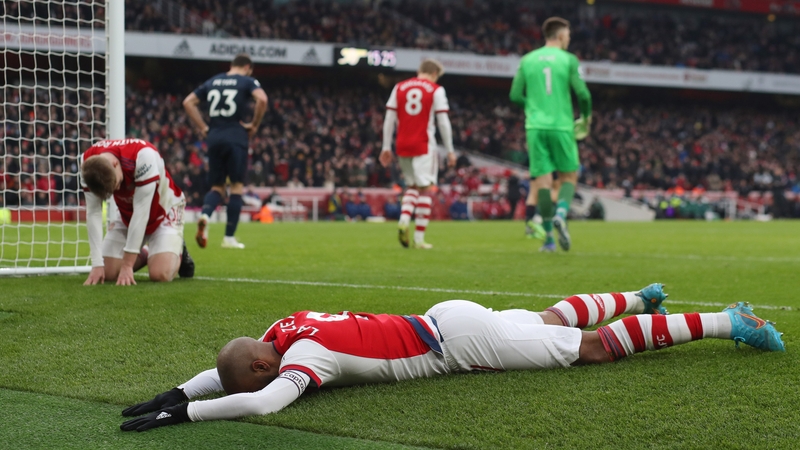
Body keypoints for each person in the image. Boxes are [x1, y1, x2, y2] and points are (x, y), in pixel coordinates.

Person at [120, 284, 784, 431]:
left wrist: (187, 416)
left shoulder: (308, 362)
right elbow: (237, 367)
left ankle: (729, 321)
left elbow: (260, 397)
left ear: (269, 362)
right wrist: (177, 390)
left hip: (458, 345)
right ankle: (640, 298)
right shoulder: (285, 329)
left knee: (584, 351)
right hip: (445, 316)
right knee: (550, 319)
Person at [510, 17, 592, 252]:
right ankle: (562, 214)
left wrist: (532, 108)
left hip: (535, 127)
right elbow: (583, 95)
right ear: (559, 35)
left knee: (543, 184)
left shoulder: (527, 60)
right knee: (569, 177)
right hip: (561, 126)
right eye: (567, 35)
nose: (569, 38)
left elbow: (515, 96)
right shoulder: (568, 59)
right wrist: (586, 117)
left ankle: (548, 240)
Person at [80, 138, 194, 286]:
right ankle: (148, 252)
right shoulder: (86, 164)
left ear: (115, 164)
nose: (117, 190)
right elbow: (93, 212)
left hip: (164, 211)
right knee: (107, 273)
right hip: (127, 214)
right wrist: (96, 264)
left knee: (160, 274)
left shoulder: (143, 156)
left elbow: (141, 212)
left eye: (118, 183)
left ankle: (178, 248)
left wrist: (127, 265)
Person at [183, 53, 268, 249]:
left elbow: (188, 102)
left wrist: (203, 128)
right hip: (236, 136)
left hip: (214, 138)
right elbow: (262, 100)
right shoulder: (247, 81)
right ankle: (229, 238)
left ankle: (205, 215)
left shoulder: (214, 80)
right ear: (248, 67)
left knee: (217, 187)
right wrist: (254, 125)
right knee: (236, 187)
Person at [380, 59, 456, 250]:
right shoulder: (435, 89)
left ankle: (406, 222)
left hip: (403, 144)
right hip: (423, 144)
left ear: (418, 71)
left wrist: (385, 146)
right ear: (433, 74)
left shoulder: (399, 87)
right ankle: (418, 236)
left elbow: (389, 118)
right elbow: (443, 122)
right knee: (426, 187)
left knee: (412, 186)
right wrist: (450, 150)